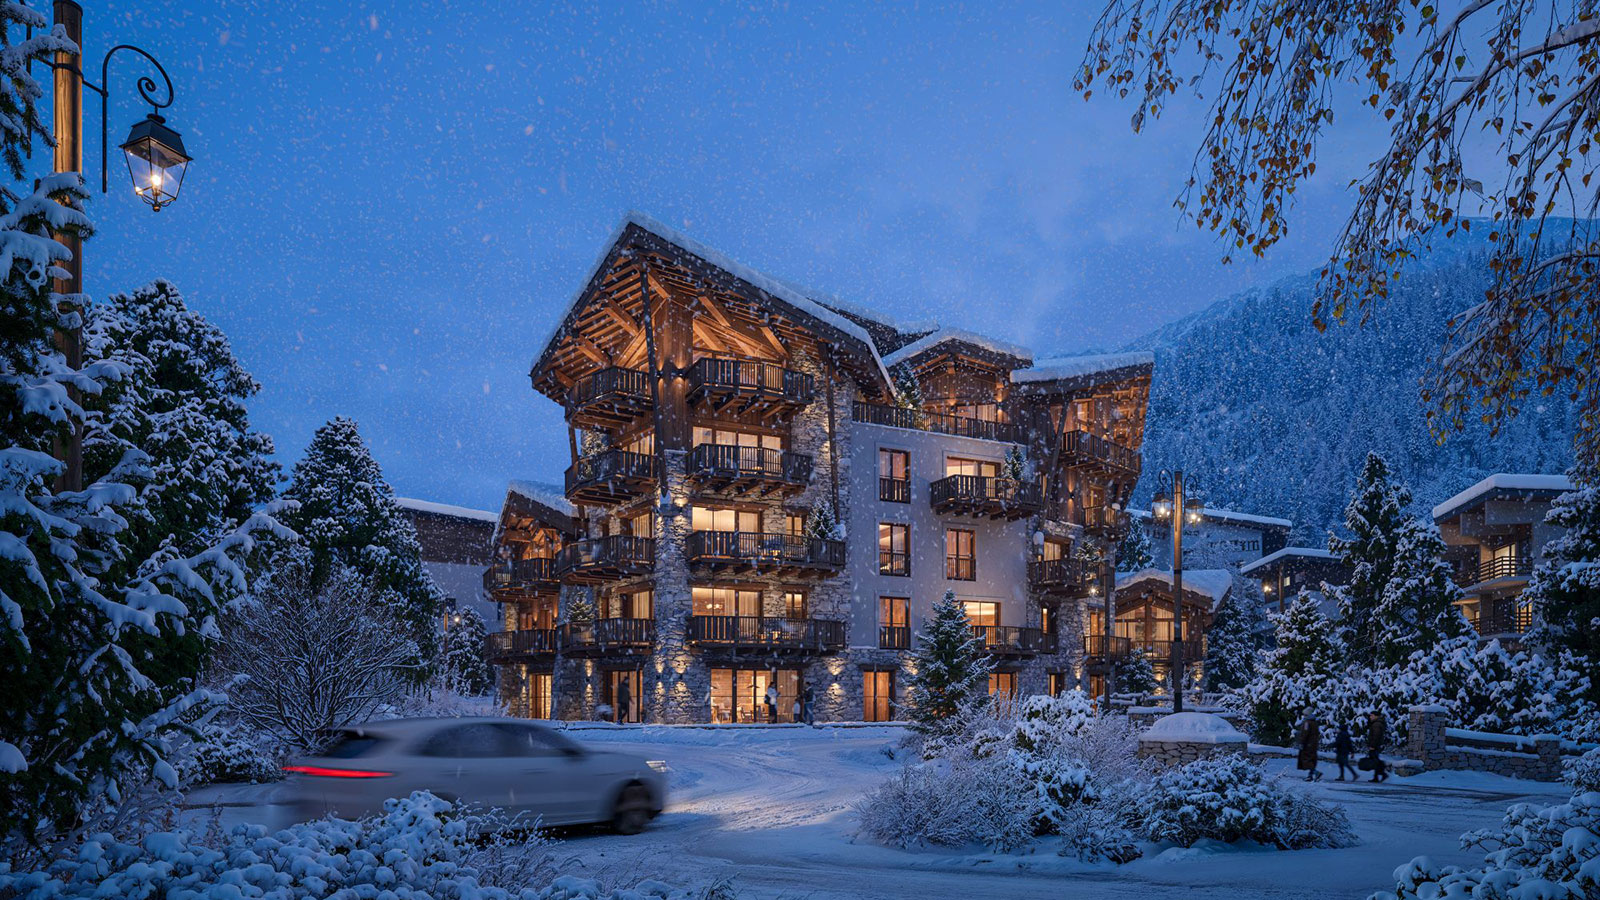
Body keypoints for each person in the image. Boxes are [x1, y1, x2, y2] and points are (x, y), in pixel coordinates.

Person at [1297, 714, 1324, 781]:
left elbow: (1305, 734)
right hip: (1313, 744)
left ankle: (1316, 773)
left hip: (1307, 744)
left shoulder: (1307, 723)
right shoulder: (1315, 723)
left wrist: (1302, 742)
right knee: (1312, 760)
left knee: (1306, 759)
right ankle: (1310, 776)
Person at [1366, 712, 1389, 782]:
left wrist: (1373, 745)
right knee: (1375, 760)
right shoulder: (1376, 723)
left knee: (1375, 761)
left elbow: (1376, 736)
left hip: (1375, 746)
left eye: (1372, 716)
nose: (1370, 717)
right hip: (1376, 745)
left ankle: (1382, 774)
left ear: (1376, 716)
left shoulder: (1377, 724)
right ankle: (1377, 776)